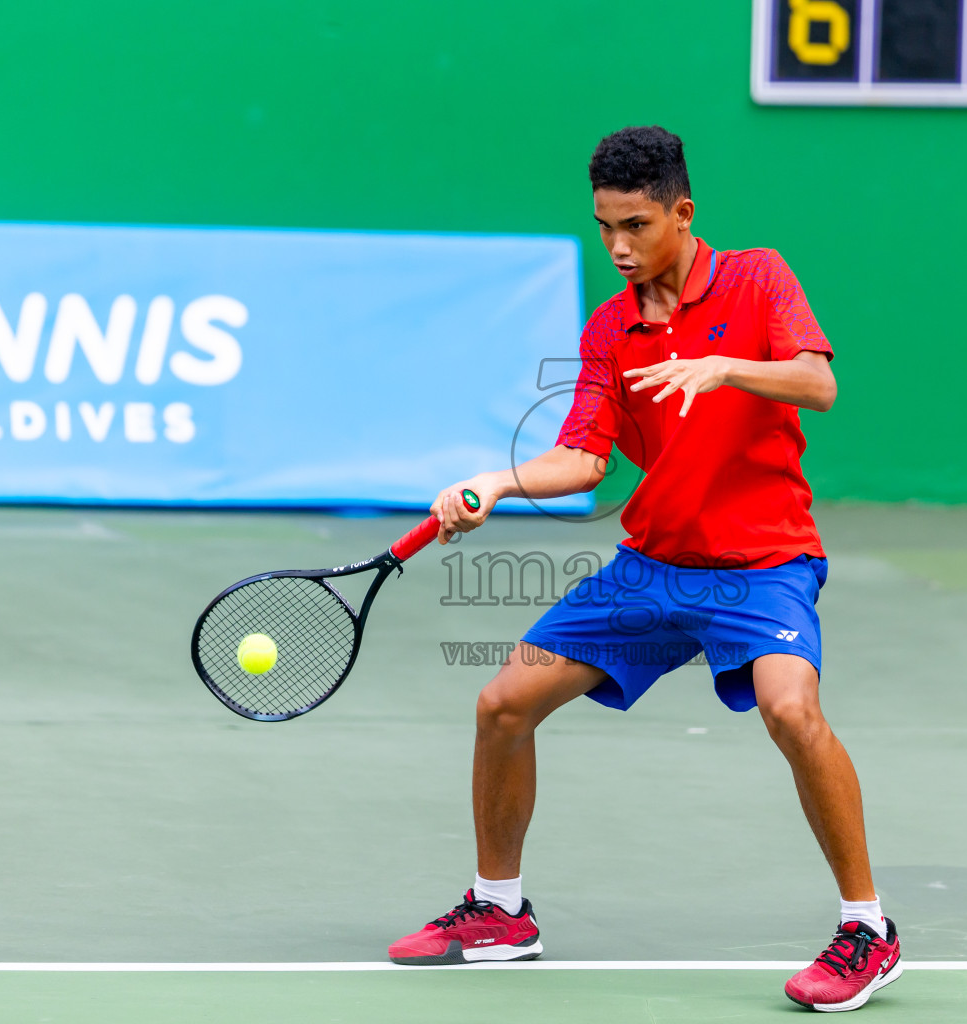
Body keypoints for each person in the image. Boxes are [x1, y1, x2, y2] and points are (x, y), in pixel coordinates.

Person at [387, 125, 901, 1013]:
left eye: (637, 226)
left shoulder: (757, 278)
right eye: (604, 228)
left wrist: (726, 368)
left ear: (682, 212)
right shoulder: (611, 330)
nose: (620, 248)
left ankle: (868, 930)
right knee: (503, 703)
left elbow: (818, 384)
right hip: (653, 566)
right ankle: (501, 912)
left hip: (764, 562)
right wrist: (496, 482)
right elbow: (583, 461)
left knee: (791, 708)